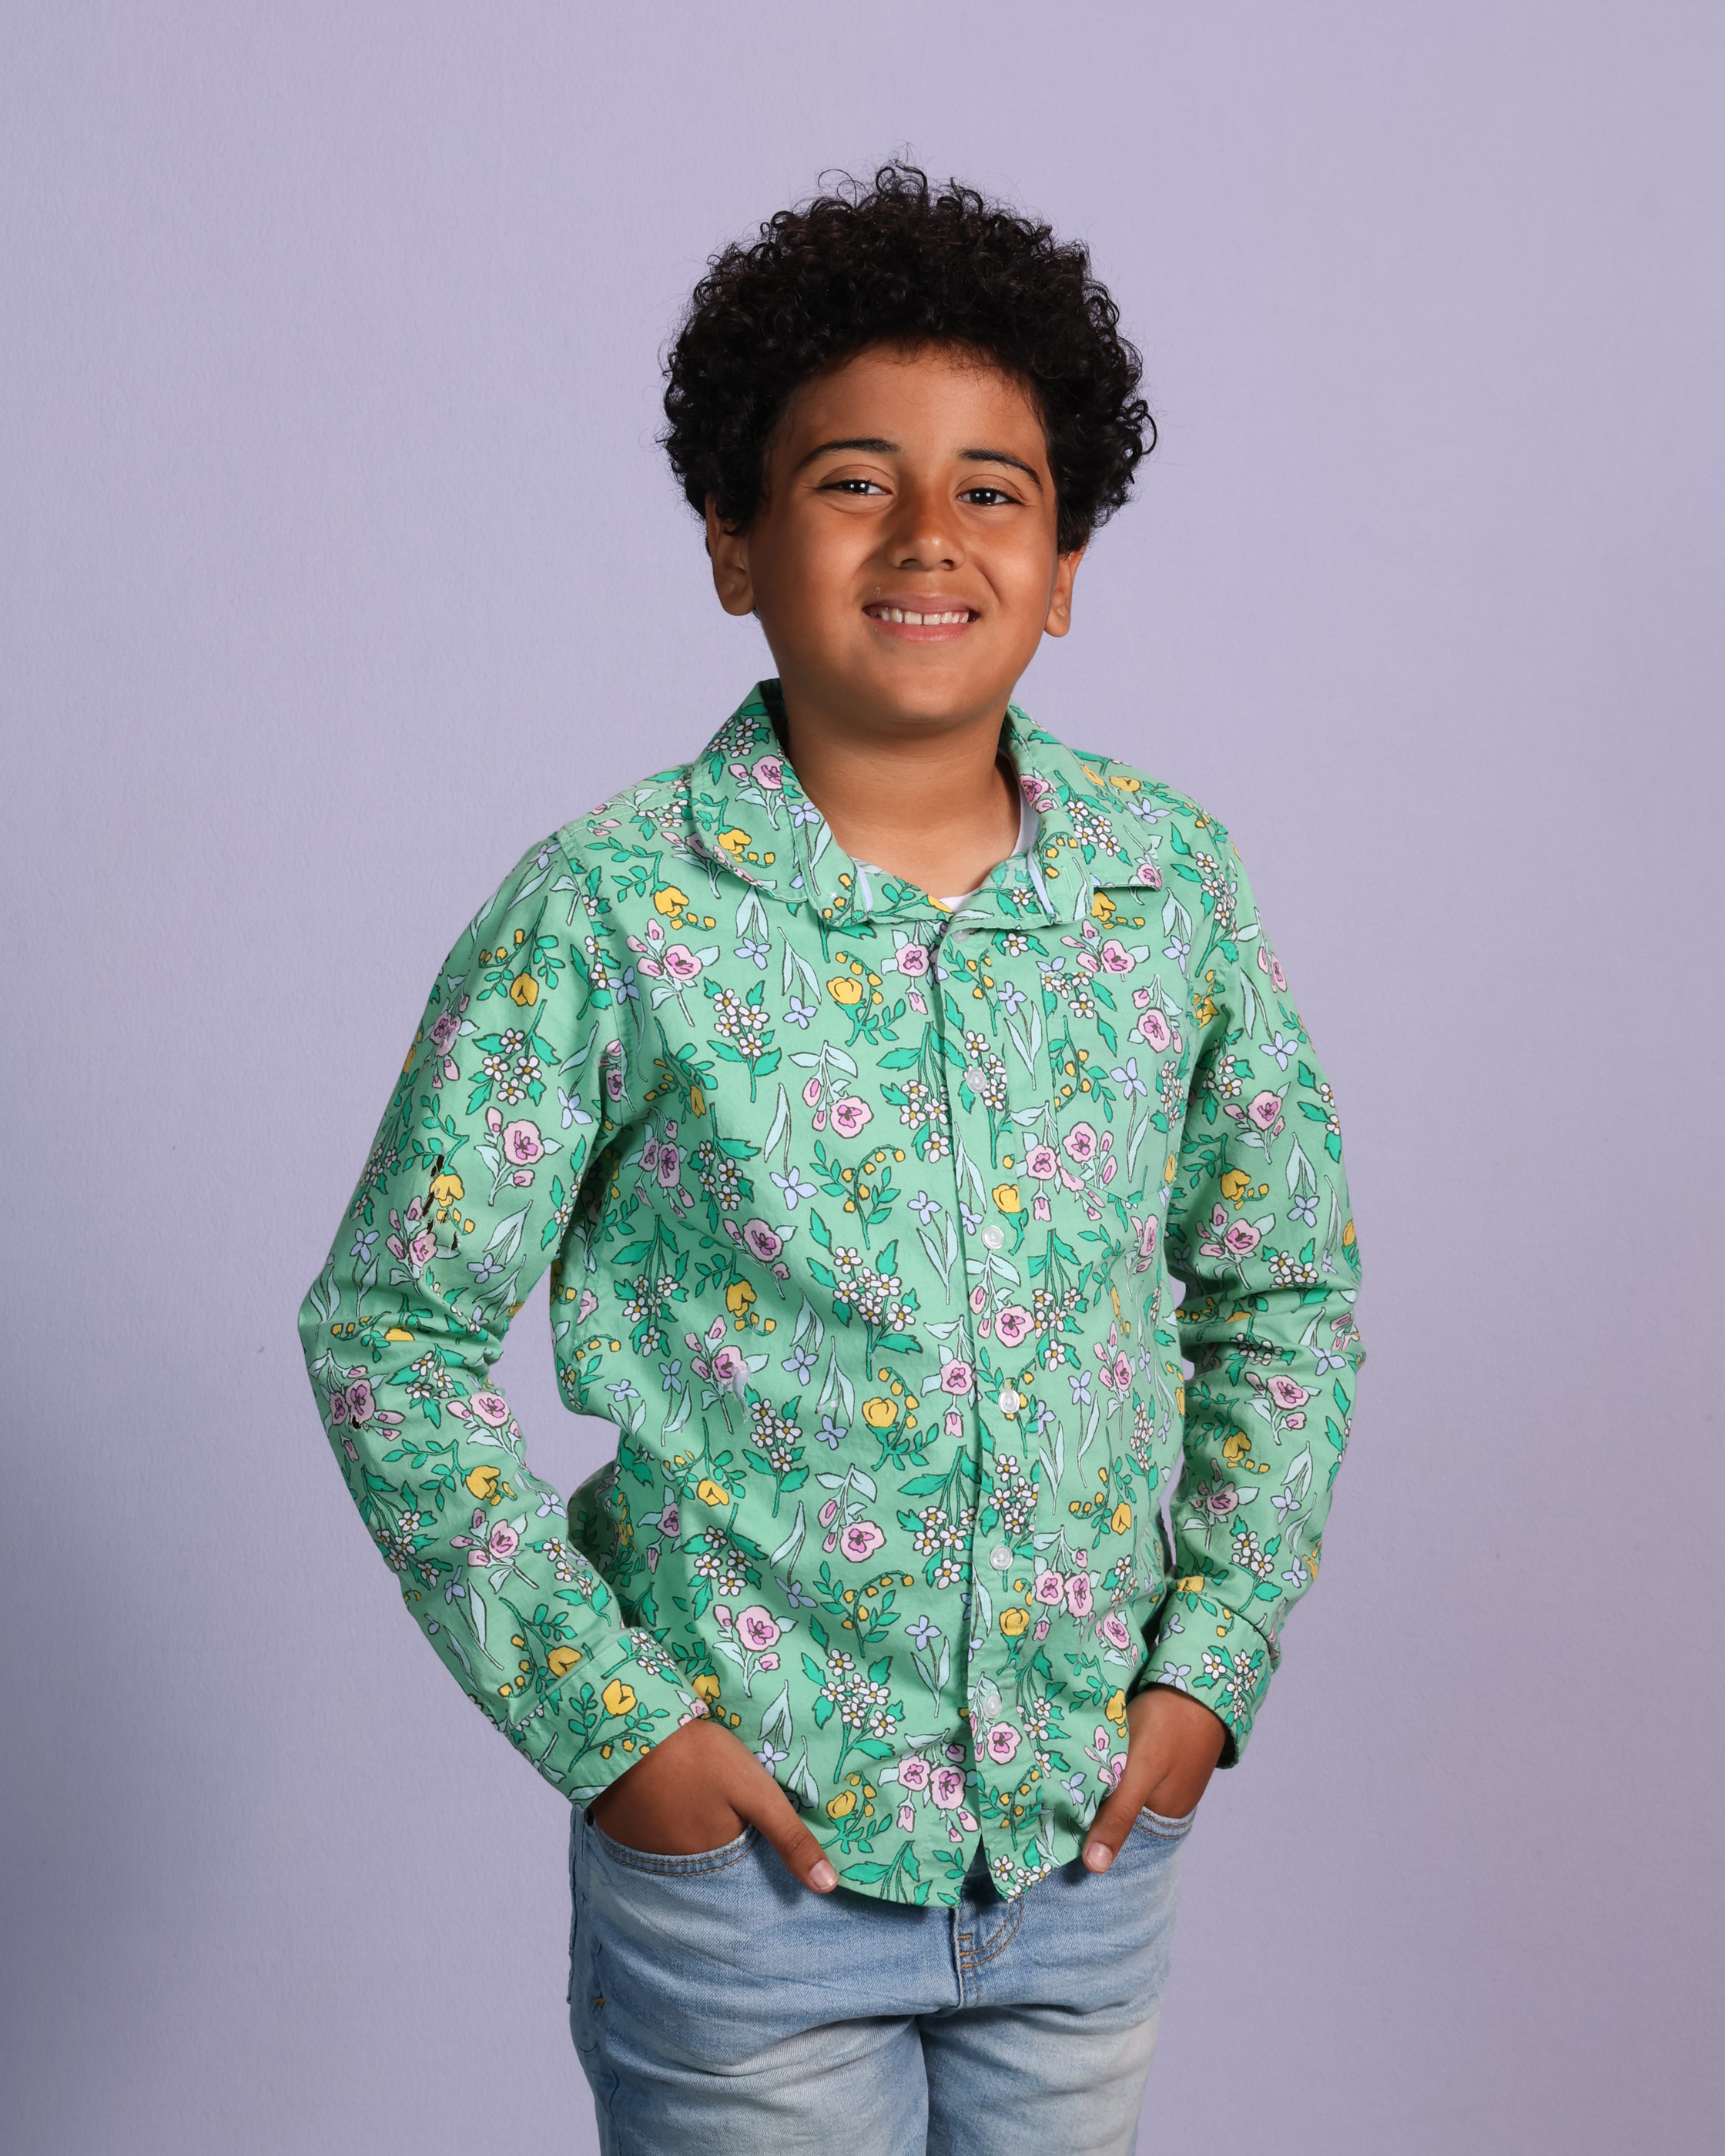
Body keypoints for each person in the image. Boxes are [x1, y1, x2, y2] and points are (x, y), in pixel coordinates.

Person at [299, 162, 1365, 2156]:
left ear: (1064, 567)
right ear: (734, 540)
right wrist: (612, 1728)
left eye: (994, 491)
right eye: (854, 480)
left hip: (1083, 1855)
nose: (928, 535)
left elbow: (1285, 1285)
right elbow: (389, 1334)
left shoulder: (1172, 891)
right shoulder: (609, 912)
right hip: (750, 1885)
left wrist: (1212, 1664)